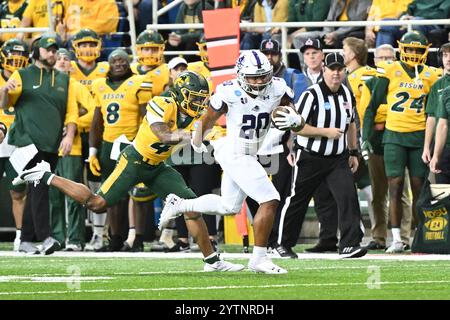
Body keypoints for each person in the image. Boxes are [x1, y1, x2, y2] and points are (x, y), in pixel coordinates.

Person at [14, 70, 245, 272]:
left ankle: (212, 260)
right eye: (195, 99)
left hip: (158, 166)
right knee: (97, 203)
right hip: (134, 161)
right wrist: (194, 135)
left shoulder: (193, 115)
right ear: (182, 93)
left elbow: (212, 134)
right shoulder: (161, 103)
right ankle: (45, 174)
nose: (200, 104)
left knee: (192, 208)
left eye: (202, 100)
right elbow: (163, 135)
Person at [159, 50, 301, 274]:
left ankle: (180, 205)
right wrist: (197, 138)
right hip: (234, 150)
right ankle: (259, 258)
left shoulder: (278, 87)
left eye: (263, 76)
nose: (259, 81)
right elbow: (208, 118)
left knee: (229, 206)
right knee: (270, 199)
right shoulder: (229, 91)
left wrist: (296, 119)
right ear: (241, 75)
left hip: (250, 152)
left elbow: (294, 117)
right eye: (253, 77)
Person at [271, 52, 367, 259]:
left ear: (345, 70)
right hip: (310, 157)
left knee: (348, 197)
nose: (336, 73)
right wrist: (326, 132)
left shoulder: (347, 94)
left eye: (340, 69)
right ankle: (282, 243)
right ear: (324, 70)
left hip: (337, 159)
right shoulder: (311, 94)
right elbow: (298, 127)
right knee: (297, 200)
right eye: (332, 69)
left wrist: (353, 151)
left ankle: (349, 245)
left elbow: (351, 124)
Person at [362, 31, 442, 253]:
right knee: (394, 187)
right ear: (401, 49)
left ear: (425, 51)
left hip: (419, 137)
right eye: (410, 49)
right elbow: (372, 107)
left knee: (419, 189)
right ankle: (396, 238)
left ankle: (420, 237)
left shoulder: (432, 75)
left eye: (418, 49)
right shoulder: (389, 70)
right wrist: (365, 137)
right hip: (394, 136)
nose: (414, 53)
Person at [0, 34, 78, 255]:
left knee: (37, 191)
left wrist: (69, 136)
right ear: (37, 52)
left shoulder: (64, 79)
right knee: (40, 188)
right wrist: (5, 90)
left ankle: (25, 240)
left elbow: (71, 111)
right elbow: (4, 103)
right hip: (27, 142)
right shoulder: (22, 74)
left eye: (54, 50)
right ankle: (44, 238)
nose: (52, 54)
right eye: (48, 50)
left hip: (51, 143)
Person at [87, 49, 150, 251]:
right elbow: (97, 122)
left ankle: (138, 238)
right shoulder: (98, 85)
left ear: (129, 62)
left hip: (132, 143)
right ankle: (115, 238)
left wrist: (144, 144)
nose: (119, 64)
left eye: (123, 60)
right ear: (109, 63)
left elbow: (146, 117)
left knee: (138, 192)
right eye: (115, 60)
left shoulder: (139, 81)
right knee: (112, 194)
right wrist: (93, 151)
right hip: (108, 145)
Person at [359, 43, 413, 250]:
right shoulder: (370, 82)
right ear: (375, 61)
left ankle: (404, 238)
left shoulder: (404, 82)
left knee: (401, 189)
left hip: (398, 138)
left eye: (391, 58)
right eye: (383, 58)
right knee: (378, 190)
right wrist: (383, 119)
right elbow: (366, 112)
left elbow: (395, 112)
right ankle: (379, 236)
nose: (387, 62)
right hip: (376, 139)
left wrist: (384, 118)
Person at [49, 48, 95, 251]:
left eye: (66, 59)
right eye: (58, 58)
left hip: (71, 148)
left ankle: (75, 239)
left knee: (74, 194)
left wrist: (71, 126)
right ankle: (57, 237)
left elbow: (94, 111)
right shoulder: (45, 85)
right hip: (48, 148)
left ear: (71, 64)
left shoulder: (75, 85)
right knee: (53, 196)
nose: (61, 61)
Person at [69, 28, 109, 251]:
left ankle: (98, 233)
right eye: (82, 44)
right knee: (72, 180)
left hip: (97, 132)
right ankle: (73, 234)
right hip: (73, 134)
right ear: (75, 47)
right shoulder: (68, 68)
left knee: (96, 181)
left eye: (91, 44)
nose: (87, 49)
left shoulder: (105, 68)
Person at [0, 39, 28, 251]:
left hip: (19, 141)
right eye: (13, 59)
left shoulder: (28, 79)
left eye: (21, 60)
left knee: (17, 191)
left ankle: (20, 234)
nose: (17, 64)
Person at [429, 43, 450, 180]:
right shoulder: (445, 90)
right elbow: (441, 124)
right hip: (446, 148)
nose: (448, 59)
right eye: (445, 55)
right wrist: (435, 155)